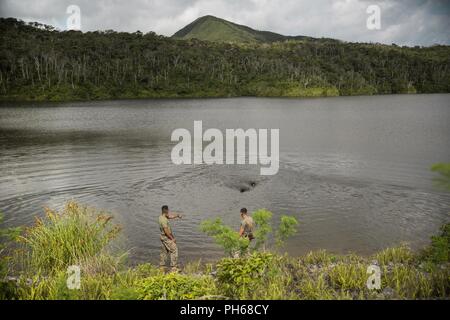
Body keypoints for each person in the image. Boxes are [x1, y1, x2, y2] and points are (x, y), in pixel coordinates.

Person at [159, 205, 182, 272]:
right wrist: (172, 239)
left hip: (163, 237)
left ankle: (162, 266)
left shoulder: (161, 217)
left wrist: (177, 215)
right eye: (168, 210)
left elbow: (170, 216)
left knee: (164, 251)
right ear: (165, 211)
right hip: (166, 237)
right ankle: (173, 267)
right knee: (174, 249)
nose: (169, 212)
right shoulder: (163, 220)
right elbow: (166, 231)